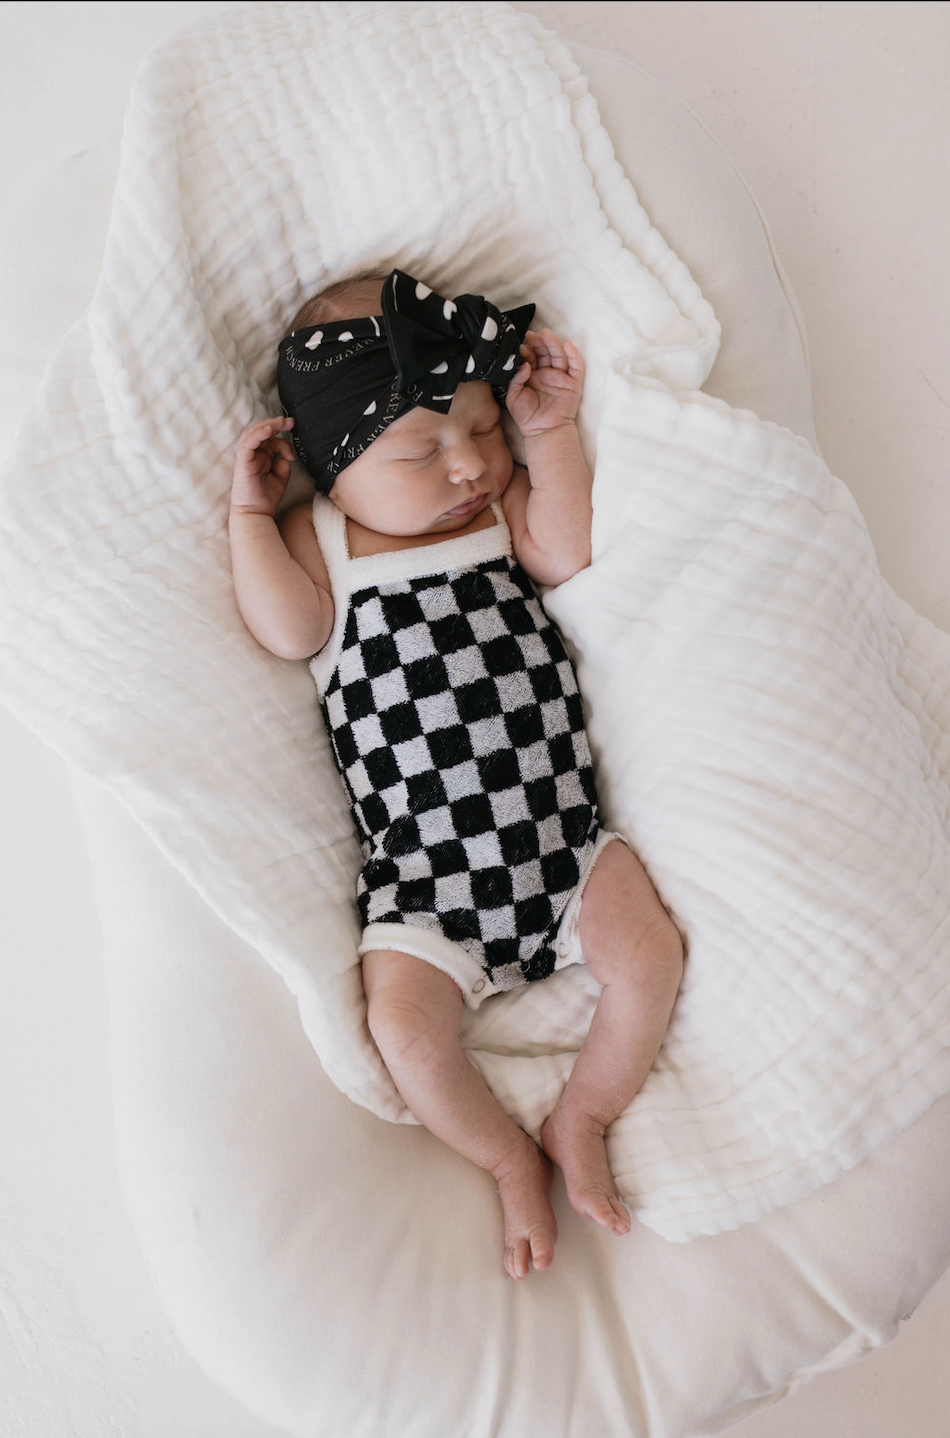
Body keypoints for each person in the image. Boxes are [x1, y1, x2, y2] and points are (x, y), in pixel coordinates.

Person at [228, 268, 684, 1280]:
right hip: (428, 882)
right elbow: (287, 627)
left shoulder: (494, 512)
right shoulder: (327, 542)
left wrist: (548, 436)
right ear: (332, 465)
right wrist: (251, 522)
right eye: (419, 449)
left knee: (646, 954)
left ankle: (584, 1113)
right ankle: (504, 1156)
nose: (466, 464)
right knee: (402, 1026)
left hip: (564, 842)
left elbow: (564, 553)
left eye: (479, 429)